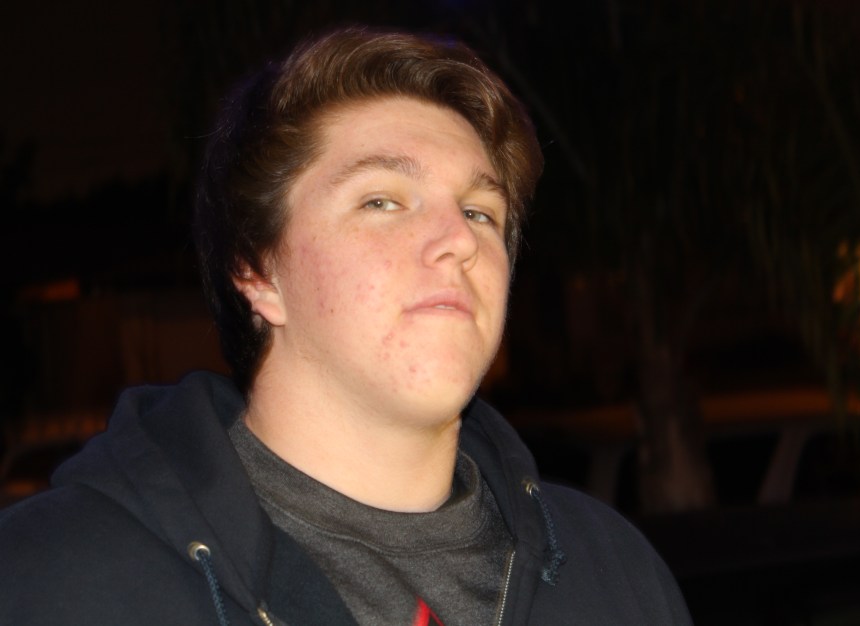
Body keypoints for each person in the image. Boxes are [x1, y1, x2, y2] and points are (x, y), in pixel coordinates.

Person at [0, 26, 692, 625]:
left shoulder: (614, 574)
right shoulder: (53, 580)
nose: (460, 239)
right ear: (257, 270)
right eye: (383, 201)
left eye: (480, 212)